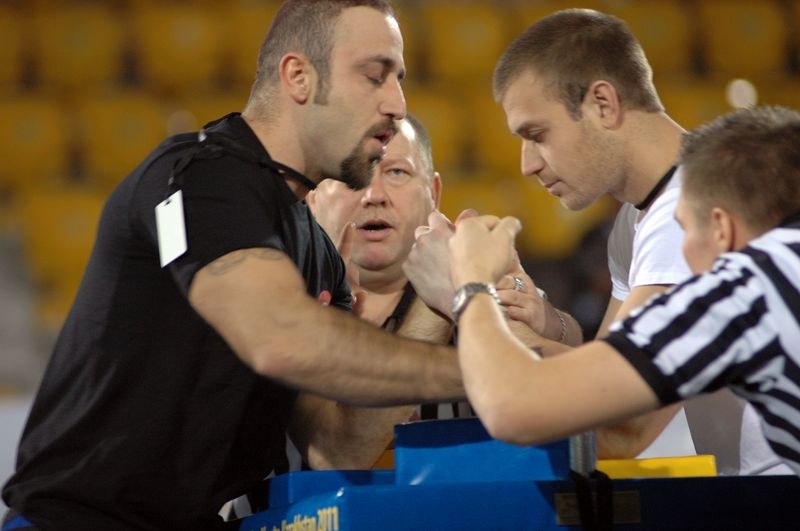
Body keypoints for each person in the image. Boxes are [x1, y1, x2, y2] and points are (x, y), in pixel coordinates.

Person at [1, 2, 465, 530]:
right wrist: (484, 373)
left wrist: (436, 310)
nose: (398, 103)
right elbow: (280, 337)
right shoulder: (196, 179)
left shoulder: (316, 250)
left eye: (399, 79)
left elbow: (338, 448)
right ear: (298, 76)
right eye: (375, 75)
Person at [479, 8, 786, 473]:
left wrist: (471, 301)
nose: (527, 164)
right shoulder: (636, 219)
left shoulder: (686, 216)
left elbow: (620, 428)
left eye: (537, 135)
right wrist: (541, 322)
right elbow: (611, 370)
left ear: (604, 103)